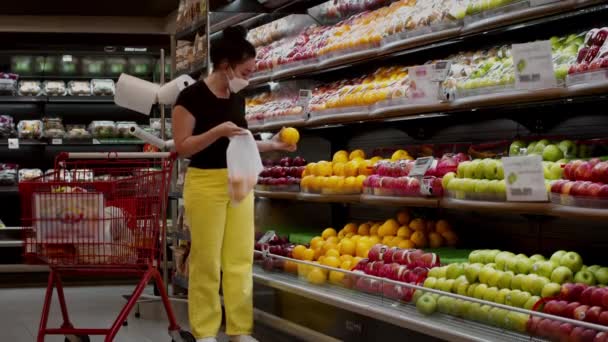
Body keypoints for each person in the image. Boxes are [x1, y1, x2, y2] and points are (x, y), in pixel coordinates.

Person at [172, 26, 296, 342]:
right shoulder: (190, 97)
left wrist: (274, 145)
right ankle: (205, 332)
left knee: (239, 259)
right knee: (207, 261)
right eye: (245, 71)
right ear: (226, 66)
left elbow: (242, 142)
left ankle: (239, 330)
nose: (249, 78)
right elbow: (182, 146)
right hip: (204, 184)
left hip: (238, 180)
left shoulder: (237, 98)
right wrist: (216, 132)